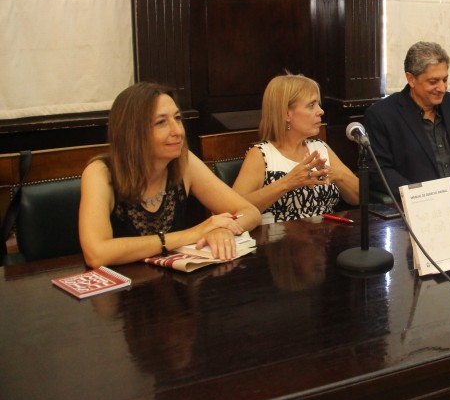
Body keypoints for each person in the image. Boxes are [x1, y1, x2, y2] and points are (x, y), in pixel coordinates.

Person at [79, 82, 261, 268]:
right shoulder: (100, 173)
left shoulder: (185, 162)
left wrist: (223, 229)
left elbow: (250, 212)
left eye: (177, 118)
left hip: (174, 285)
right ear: (132, 132)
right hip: (121, 289)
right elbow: (97, 254)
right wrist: (193, 233)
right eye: (161, 122)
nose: (178, 131)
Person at [364, 41, 450, 200]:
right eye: (433, 82)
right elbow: (380, 171)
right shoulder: (382, 115)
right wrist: (418, 195)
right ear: (411, 79)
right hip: (418, 208)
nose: (442, 88)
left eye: (445, 80)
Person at [232, 74, 359, 223]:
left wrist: (337, 175)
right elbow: (234, 210)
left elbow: (359, 197)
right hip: (277, 241)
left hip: (325, 240)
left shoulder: (320, 148)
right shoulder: (261, 154)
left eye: (318, 104)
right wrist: (287, 183)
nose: (321, 111)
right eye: (311, 105)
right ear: (286, 113)